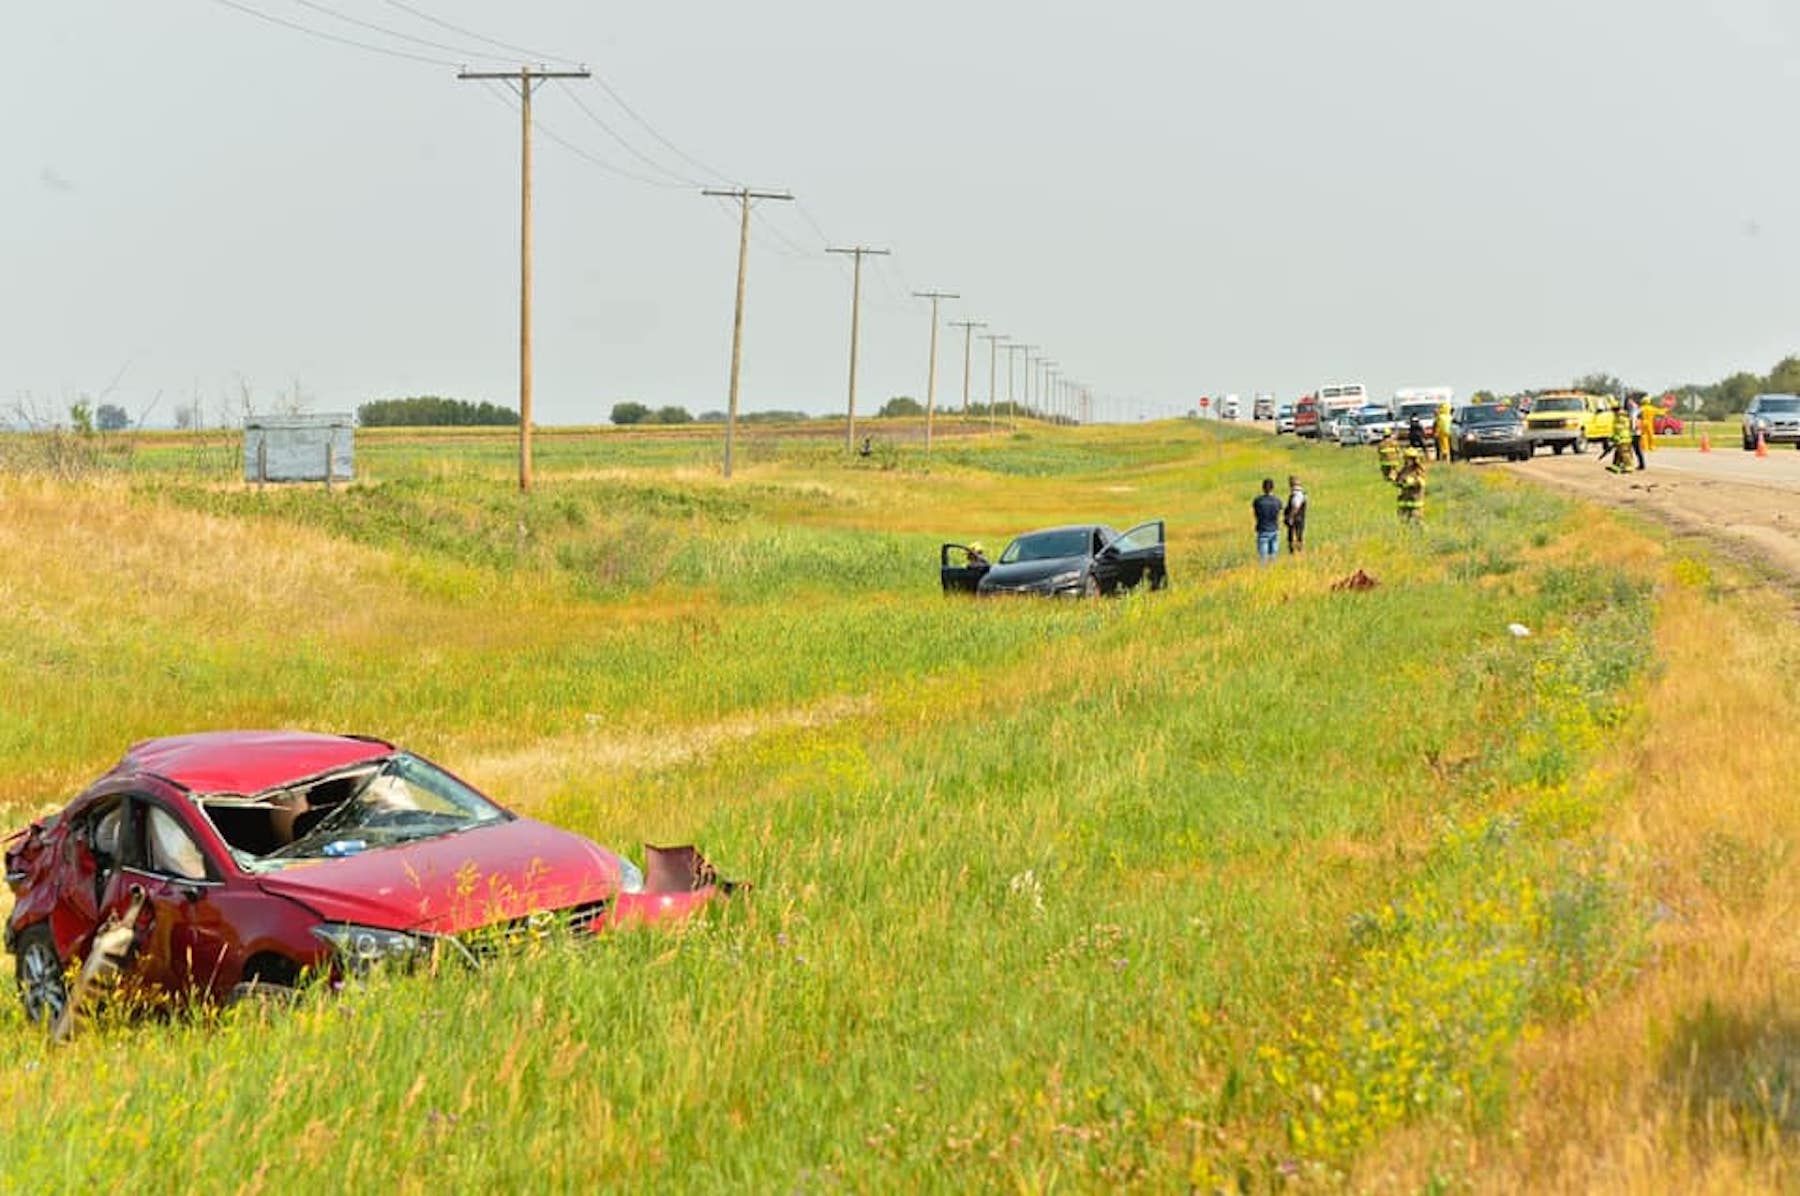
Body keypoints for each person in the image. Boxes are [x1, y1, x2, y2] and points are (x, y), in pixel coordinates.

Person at [1252, 478, 1282, 564]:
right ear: (1273, 488)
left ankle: (1263, 573)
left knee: (1263, 557)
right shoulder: (1277, 501)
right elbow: (1278, 514)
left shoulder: (1258, 501)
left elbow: (1256, 514)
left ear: (1263, 488)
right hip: (1274, 529)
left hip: (1262, 529)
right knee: (1273, 555)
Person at [1393, 448, 1425, 524]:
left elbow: (1422, 483)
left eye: (1410, 459)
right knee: (1403, 521)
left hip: (1415, 502)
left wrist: (1413, 481)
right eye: (1406, 458)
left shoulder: (1418, 470)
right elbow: (1398, 482)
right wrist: (1396, 480)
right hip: (1404, 501)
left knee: (1417, 523)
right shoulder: (1403, 470)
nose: (1408, 461)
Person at [1604, 404, 1633, 474]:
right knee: (1618, 453)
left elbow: (1620, 429)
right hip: (1621, 438)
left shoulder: (1621, 417)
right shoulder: (1618, 416)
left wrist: (1616, 437)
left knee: (1625, 454)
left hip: (1623, 438)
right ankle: (1616, 467)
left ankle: (1628, 467)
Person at [1283, 475, 1307, 554]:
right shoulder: (1301, 493)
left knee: (1294, 538)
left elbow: (1295, 507)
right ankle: (1297, 553)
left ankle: (1295, 554)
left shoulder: (1297, 494)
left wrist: (1290, 517)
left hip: (1295, 520)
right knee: (1298, 537)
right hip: (1299, 519)